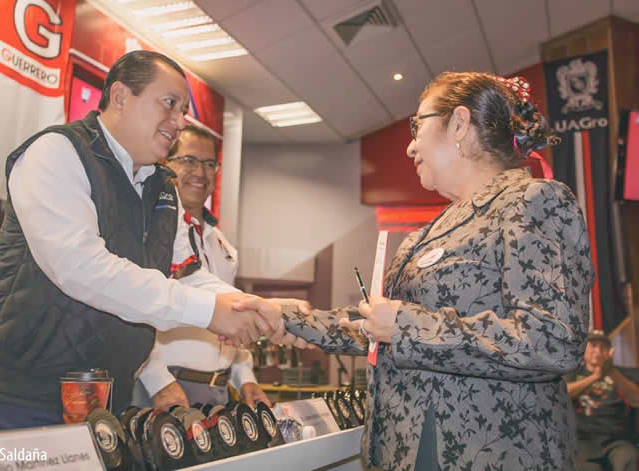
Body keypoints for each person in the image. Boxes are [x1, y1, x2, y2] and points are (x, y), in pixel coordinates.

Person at [254, 72, 595, 470]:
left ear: (460, 124)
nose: (411, 146)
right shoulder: (430, 231)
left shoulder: (533, 200)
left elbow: (553, 341)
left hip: (488, 453)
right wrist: (287, 319)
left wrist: (405, 325)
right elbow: (379, 327)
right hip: (407, 447)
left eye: (417, 126)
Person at [0, 51, 279, 433]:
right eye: (169, 103)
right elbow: (80, 268)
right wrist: (210, 311)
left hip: (107, 402)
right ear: (120, 96)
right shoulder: (57, 152)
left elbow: (188, 275)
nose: (180, 122)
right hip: (16, 399)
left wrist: (260, 309)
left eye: (183, 110)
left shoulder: (163, 187)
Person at [134, 124, 270, 410]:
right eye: (188, 160)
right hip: (163, 387)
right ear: (165, 163)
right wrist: (157, 380)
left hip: (217, 391)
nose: (200, 172)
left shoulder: (223, 247)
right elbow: (133, 311)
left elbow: (231, 318)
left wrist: (245, 378)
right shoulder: (147, 232)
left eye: (209, 164)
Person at [567, 330, 639, 471]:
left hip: (617, 441)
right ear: (584, 350)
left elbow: (636, 398)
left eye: (603, 347)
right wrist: (596, 376)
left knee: (628, 459)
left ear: (610, 351)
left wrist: (610, 371)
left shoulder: (622, 373)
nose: (598, 351)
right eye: (593, 345)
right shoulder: (573, 372)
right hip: (582, 442)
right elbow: (565, 393)